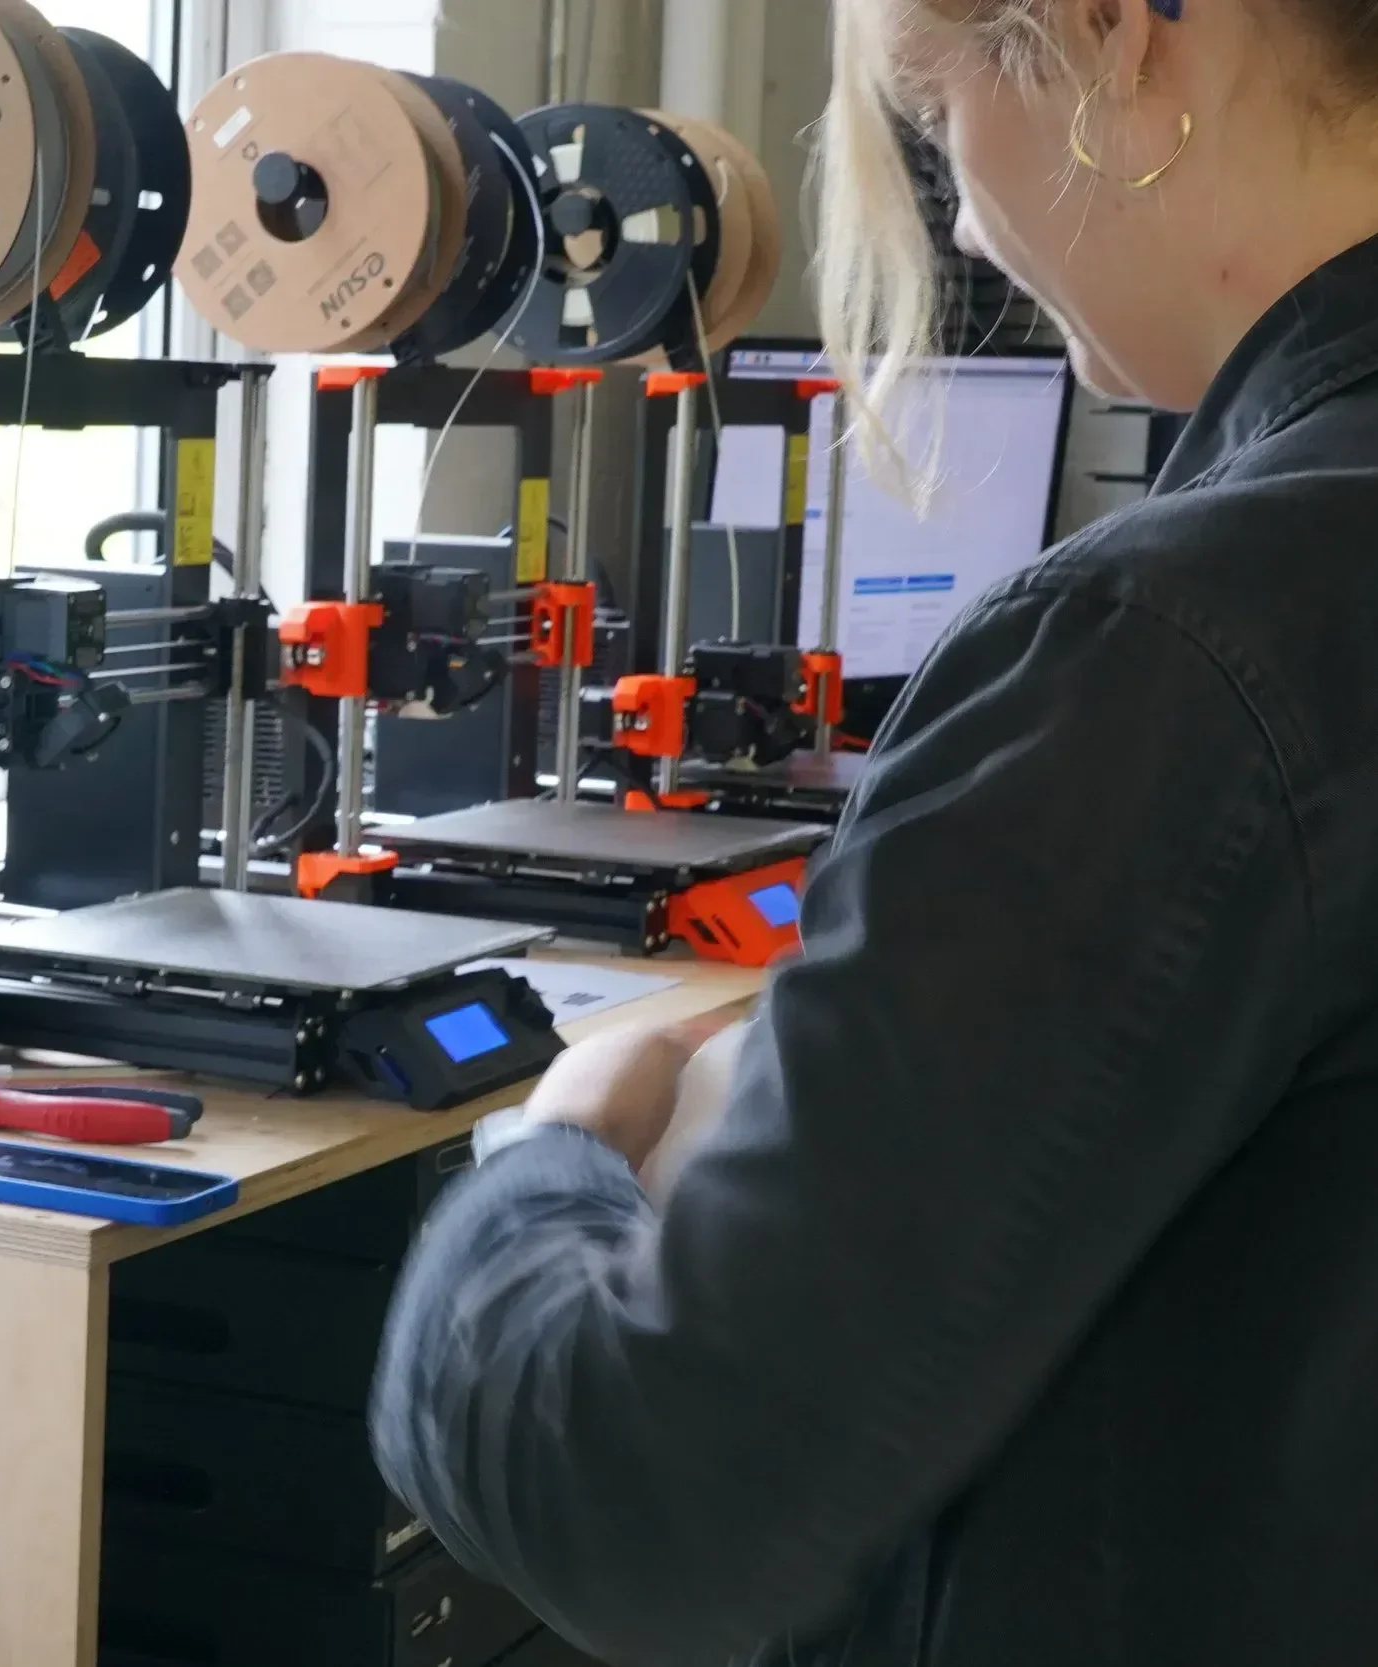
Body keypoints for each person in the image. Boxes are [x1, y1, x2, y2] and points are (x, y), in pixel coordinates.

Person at [369, 2, 1378, 1663]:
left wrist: (545, 1157)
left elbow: (648, 1496)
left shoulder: (1170, 659)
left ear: (1116, 37)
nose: (970, 216)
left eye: (940, 105)